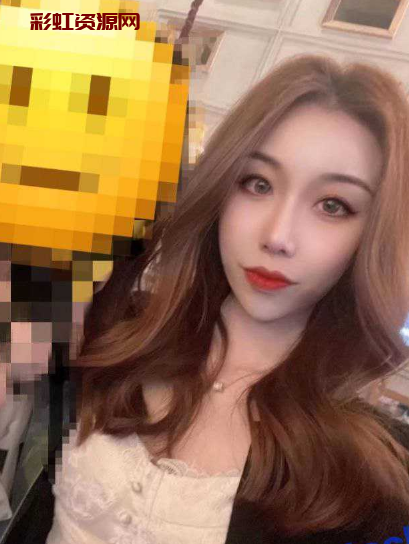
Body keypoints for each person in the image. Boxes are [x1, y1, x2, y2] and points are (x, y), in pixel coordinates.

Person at [46, 53, 409, 544]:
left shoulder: (362, 469)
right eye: (257, 184)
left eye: (333, 205)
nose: (277, 236)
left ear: (374, 235)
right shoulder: (119, 333)